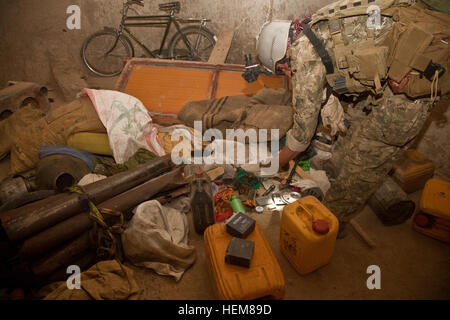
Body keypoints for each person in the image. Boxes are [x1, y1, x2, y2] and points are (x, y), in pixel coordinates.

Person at [256, 0, 450, 237]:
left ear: (284, 52)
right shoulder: (314, 24)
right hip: (388, 79)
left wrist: (274, 164)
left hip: (406, 98)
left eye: (283, 69)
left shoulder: (303, 54)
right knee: (354, 128)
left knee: (366, 161)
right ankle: (336, 172)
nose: (288, 74)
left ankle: (333, 220)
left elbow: (302, 136)